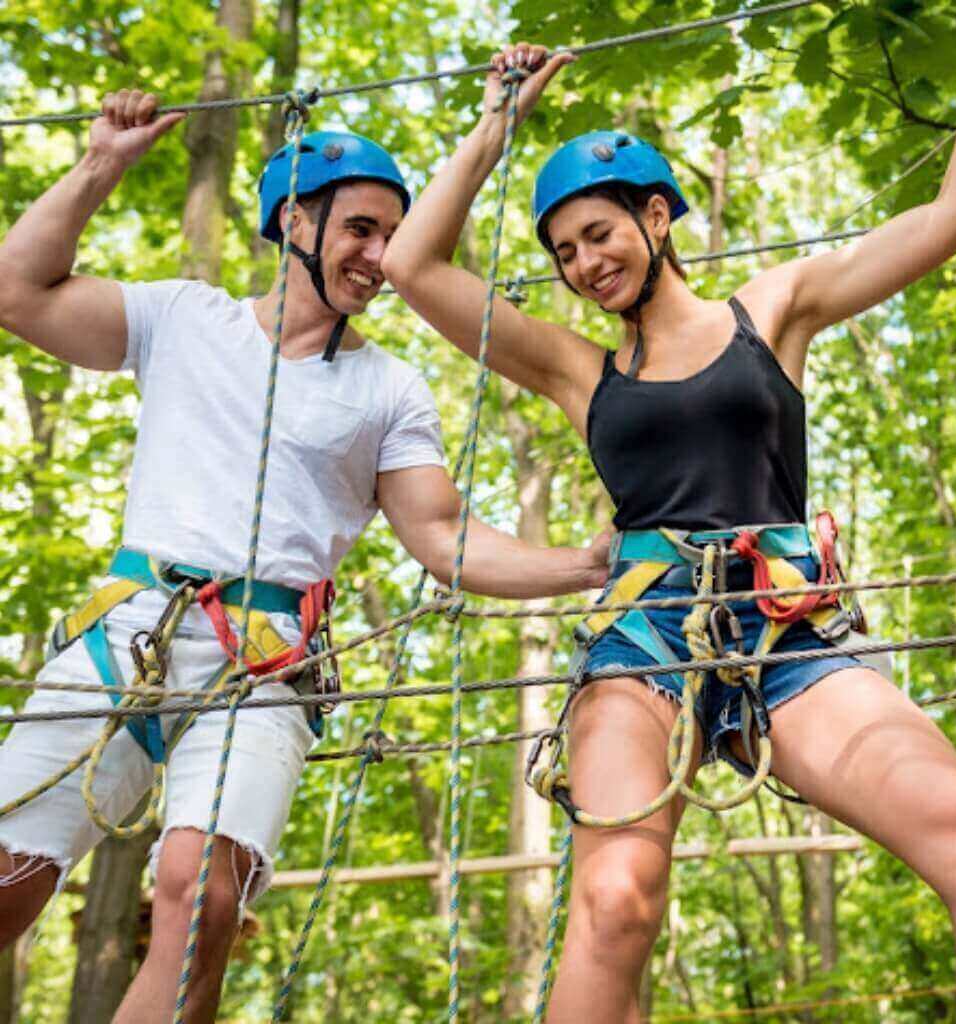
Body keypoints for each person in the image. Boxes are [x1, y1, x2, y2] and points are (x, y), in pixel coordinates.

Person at [381, 6, 956, 1021]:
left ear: (657, 216)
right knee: (614, 903)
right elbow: (412, 268)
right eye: (562, 254)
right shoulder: (576, 369)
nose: (584, 265)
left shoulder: (772, 311)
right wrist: (496, 122)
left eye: (598, 233)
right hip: (642, 641)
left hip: (786, 633)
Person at [0, 90, 609, 1023]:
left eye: (392, 235)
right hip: (126, 633)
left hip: (266, 662)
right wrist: (100, 165)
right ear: (293, 219)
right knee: (7, 878)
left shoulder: (388, 386)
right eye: (360, 229)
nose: (379, 256)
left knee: (199, 901)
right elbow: (17, 292)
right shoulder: (182, 318)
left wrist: (584, 563)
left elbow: (441, 538)